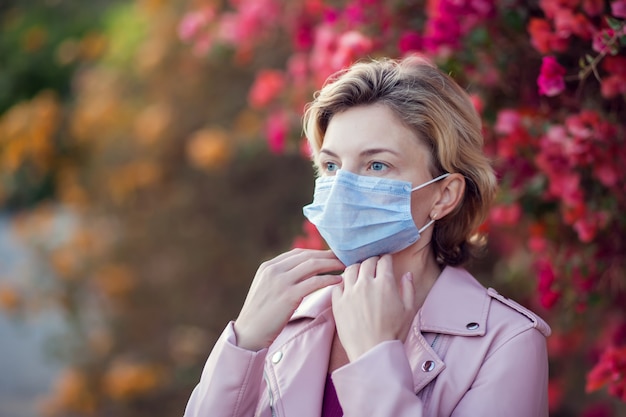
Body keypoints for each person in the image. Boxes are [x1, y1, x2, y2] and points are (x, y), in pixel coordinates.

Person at [183, 56, 551, 417]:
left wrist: (374, 360)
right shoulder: (287, 317)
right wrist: (244, 344)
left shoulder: (505, 343)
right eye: (330, 165)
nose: (342, 187)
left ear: (444, 195)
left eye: (377, 165)